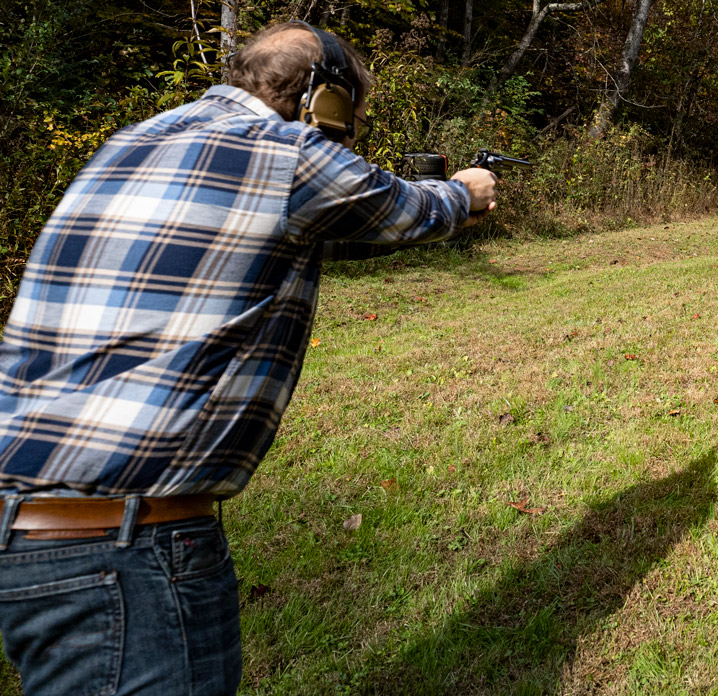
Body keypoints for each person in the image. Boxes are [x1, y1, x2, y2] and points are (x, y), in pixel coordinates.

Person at [0, 20, 497, 695]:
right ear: (325, 99)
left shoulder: (130, 142)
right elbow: (409, 209)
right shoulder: (289, 152)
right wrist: (467, 191)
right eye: (349, 112)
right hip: (129, 543)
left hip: (22, 537)